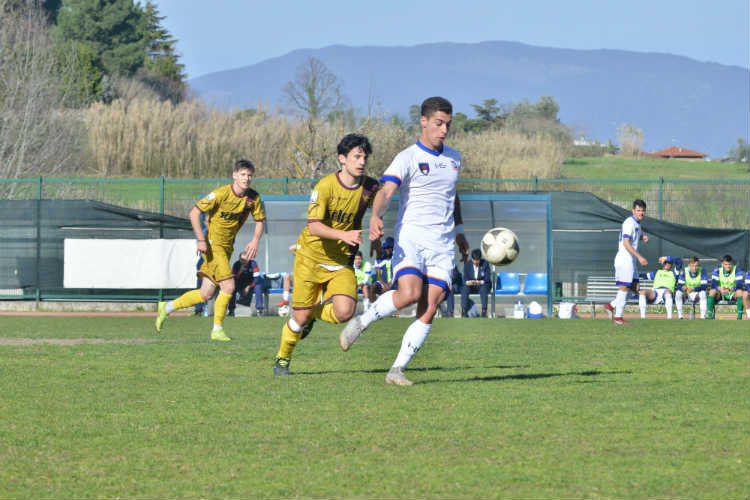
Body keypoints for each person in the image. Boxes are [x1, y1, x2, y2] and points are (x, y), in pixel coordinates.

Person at [339, 96, 470, 386]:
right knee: (409, 294)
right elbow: (386, 192)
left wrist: (459, 231)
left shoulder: (454, 158)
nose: (444, 130)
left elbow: (452, 195)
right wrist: (376, 217)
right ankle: (364, 320)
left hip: (443, 244)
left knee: (430, 306)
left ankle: (396, 369)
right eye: (438, 123)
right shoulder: (407, 157)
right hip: (412, 237)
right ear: (423, 121)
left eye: (448, 124)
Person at [273, 133, 380, 375]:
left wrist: (377, 231)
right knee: (298, 320)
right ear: (342, 159)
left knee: (345, 312)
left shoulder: (370, 187)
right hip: (310, 259)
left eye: (364, 157)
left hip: (341, 261)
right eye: (356, 156)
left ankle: (312, 312)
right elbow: (314, 226)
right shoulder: (324, 187)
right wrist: (344, 235)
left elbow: (381, 202)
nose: (361, 161)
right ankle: (282, 358)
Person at [155, 159, 265, 340]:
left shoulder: (253, 198)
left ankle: (166, 307)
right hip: (213, 246)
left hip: (227, 247)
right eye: (243, 174)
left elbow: (260, 221)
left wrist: (255, 240)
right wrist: (200, 239)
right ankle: (217, 329)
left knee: (206, 293)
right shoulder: (221, 194)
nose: (247, 178)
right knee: (229, 286)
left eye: (250, 175)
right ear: (235, 175)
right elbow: (194, 213)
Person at [604, 199, 649, 325]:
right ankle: (618, 318)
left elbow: (634, 236)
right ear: (633, 211)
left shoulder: (637, 224)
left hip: (631, 260)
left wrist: (642, 237)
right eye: (638, 210)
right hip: (625, 259)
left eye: (643, 210)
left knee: (636, 289)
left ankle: (611, 305)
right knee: (624, 287)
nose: (641, 213)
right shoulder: (629, 223)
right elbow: (626, 242)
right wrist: (640, 257)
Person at [707, 254, 745, 320]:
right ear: (722, 264)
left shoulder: (737, 270)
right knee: (712, 291)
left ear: (732, 264)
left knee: (740, 292)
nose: (728, 266)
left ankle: (739, 317)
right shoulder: (717, 270)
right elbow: (713, 284)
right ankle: (710, 317)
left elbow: (739, 285)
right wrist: (720, 288)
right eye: (726, 264)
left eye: (729, 264)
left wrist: (730, 289)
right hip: (720, 292)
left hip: (732, 293)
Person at [461, 248, 492, 317]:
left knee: (484, 289)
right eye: (474, 261)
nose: (475, 263)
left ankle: (484, 311)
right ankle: (464, 311)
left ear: (480, 259)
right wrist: (467, 282)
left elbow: (487, 278)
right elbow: (464, 278)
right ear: (472, 259)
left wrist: (480, 282)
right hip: (471, 285)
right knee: (465, 289)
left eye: (477, 261)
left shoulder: (485, 264)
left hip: (481, 285)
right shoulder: (467, 264)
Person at [194, 211, 210, 316]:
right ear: (204, 222)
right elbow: (201, 248)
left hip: (217, 262)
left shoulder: (219, 232)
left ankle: (217, 309)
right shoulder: (203, 233)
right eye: (208, 221)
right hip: (204, 262)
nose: (210, 223)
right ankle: (199, 309)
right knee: (201, 286)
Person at [276, 243, 298, 308]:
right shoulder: (300, 253)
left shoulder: (313, 255)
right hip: (299, 280)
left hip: (309, 281)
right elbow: (291, 248)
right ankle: (285, 300)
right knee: (287, 276)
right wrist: (304, 243)